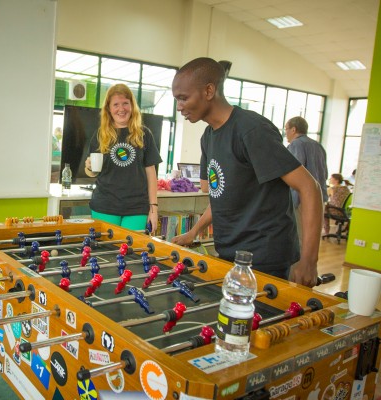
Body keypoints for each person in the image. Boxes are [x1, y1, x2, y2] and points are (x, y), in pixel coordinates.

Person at [170, 57, 322, 287]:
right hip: (230, 253)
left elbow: (310, 187)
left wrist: (309, 262)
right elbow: (223, 195)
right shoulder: (208, 137)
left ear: (209, 90)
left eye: (183, 98)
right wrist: (194, 232)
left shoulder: (251, 130)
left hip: (264, 257)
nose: (179, 107)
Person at [83, 83, 162, 233]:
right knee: (105, 253)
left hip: (137, 207)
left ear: (132, 106)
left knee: (131, 253)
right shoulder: (101, 134)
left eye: (125, 103)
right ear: (109, 109)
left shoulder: (144, 134)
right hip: (104, 206)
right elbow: (92, 172)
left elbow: (151, 174)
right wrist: (89, 168)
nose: (121, 109)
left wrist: (154, 208)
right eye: (116, 104)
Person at [285, 116, 328, 243]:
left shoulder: (296, 145)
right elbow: (324, 173)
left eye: (286, 129)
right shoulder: (318, 146)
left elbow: (293, 174)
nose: (285, 133)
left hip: (301, 199)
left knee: (298, 237)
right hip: (319, 198)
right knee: (311, 239)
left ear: (293, 129)